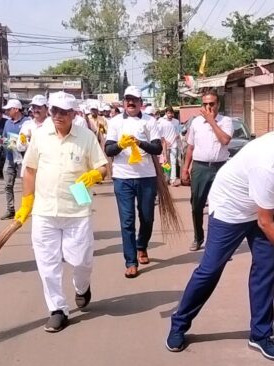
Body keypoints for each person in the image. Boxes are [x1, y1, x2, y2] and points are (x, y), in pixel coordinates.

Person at [166, 125, 274, 360]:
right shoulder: (267, 164)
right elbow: (265, 222)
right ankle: (178, 324)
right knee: (209, 271)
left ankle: (260, 335)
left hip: (259, 207)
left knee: (266, 267)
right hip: (230, 209)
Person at [14, 91, 108, 333]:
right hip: (44, 210)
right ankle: (57, 309)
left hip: (77, 206)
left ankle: (82, 287)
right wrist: (26, 203)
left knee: (81, 260)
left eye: (64, 112)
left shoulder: (86, 136)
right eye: (54, 110)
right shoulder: (40, 135)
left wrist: (95, 174)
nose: (58, 116)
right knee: (47, 264)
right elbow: (30, 170)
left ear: (73, 114)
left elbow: (103, 167)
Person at [104, 86, 162, 279]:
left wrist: (139, 143)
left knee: (147, 218)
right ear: (123, 102)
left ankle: (141, 246)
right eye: (127, 99)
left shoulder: (150, 121)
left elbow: (157, 148)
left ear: (140, 102)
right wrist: (121, 144)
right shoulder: (115, 122)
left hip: (146, 176)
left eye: (134, 100)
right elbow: (109, 149)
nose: (131, 103)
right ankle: (130, 261)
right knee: (127, 221)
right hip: (123, 177)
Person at [182, 90, 234, 252]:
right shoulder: (196, 123)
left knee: (219, 206)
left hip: (220, 168)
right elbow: (190, 147)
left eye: (211, 103)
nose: (208, 106)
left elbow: (225, 140)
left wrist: (212, 121)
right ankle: (198, 238)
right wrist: (185, 169)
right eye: (205, 104)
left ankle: (216, 242)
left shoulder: (226, 121)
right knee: (197, 205)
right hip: (200, 168)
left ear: (218, 104)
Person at [0, 99, 28, 220]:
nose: (6, 112)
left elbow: (29, 140)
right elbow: (5, 138)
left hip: (23, 158)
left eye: (9, 109)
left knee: (27, 185)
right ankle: (10, 209)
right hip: (10, 158)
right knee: (7, 185)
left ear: (16, 109)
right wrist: (0, 141)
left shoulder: (27, 122)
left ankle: (27, 207)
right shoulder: (7, 123)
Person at [157, 106, 181, 186]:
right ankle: (166, 178)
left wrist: (173, 141)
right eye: (168, 113)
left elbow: (178, 134)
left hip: (173, 145)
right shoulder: (162, 122)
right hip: (165, 145)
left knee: (173, 162)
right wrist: (165, 142)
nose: (170, 114)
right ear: (166, 113)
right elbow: (160, 135)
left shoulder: (176, 122)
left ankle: (173, 179)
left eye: (171, 113)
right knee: (166, 162)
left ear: (173, 113)